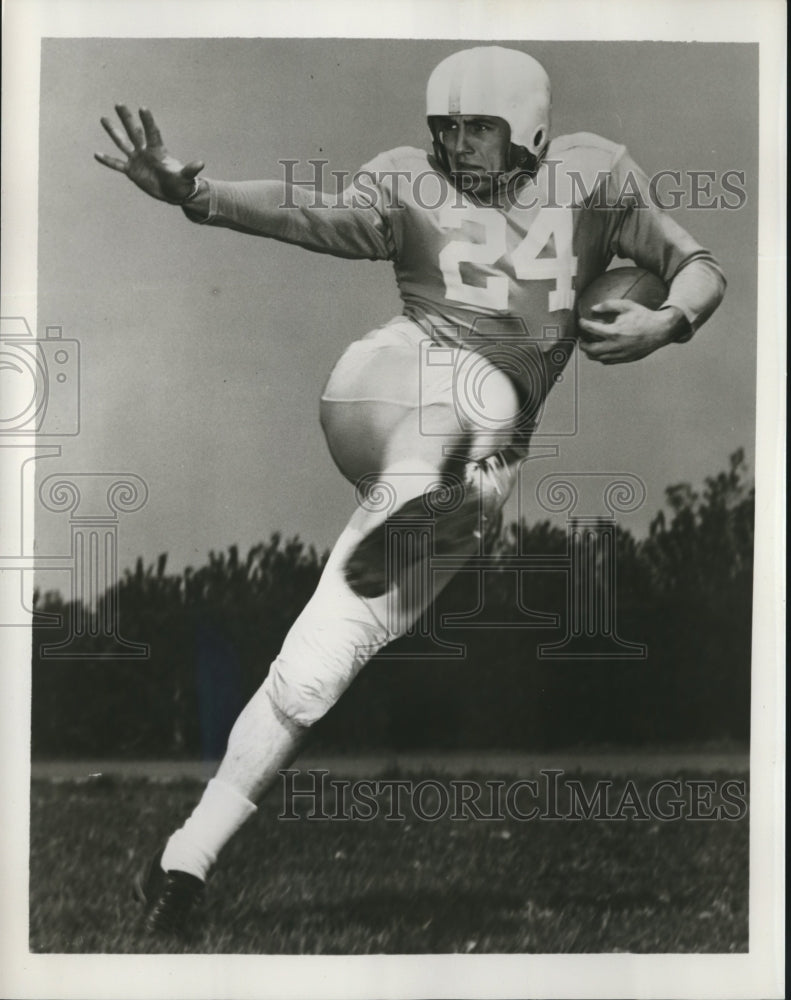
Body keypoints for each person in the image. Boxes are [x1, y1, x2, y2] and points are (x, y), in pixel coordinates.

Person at [95, 45, 725, 937]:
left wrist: (665, 321)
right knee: (469, 410)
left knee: (310, 675)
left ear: (531, 130)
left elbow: (698, 264)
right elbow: (305, 212)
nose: (457, 145)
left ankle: (181, 868)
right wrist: (196, 190)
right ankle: (435, 489)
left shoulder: (596, 174)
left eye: (477, 127)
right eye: (446, 127)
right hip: (392, 381)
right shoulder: (407, 184)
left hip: (480, 449)